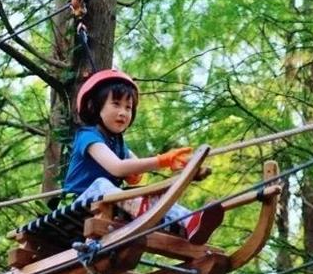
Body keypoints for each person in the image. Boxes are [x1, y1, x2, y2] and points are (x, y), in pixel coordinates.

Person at [64, 69, 223, 244]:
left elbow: (136, 171)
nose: (123, 112)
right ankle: (147, 212)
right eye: (116, 104)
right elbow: (117, 167)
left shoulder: (119, 144)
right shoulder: (87, 136)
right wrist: (164, 160)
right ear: (94, 106)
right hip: (81, 203)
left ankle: (191, 222)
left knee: (153, 195)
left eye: (128, 107)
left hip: (109, 202)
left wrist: (187, 167)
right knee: (102, 184)